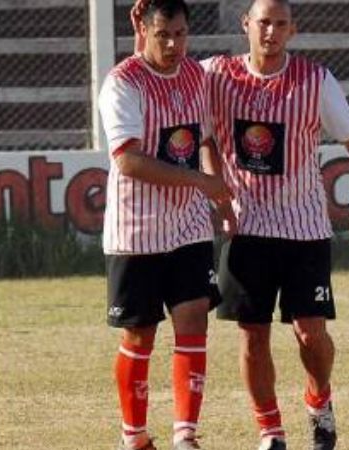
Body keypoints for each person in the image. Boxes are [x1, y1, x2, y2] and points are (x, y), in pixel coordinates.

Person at [202, 1, 349, 449]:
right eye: (263, 23)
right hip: (245, 230)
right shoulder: (215, 75)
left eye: (281, 24)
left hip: (304, 229)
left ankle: (319, 403)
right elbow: (196, 126)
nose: (271, 32)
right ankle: (270, 430)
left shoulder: (315, 80)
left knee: (310, 333)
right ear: (246, 25)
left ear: (292, 30)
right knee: (252, 335)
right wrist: (215, 187)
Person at [100, 1, 232, 449]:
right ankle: (134, 436)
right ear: (144, 30)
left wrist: (219, 193)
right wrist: (202, 180)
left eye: (180, 34)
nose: (173, 44)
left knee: (194, 316)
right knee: (142, 332)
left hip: (189, 224)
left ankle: (185, 435)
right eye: (163, 35)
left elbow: (207, 135)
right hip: (136, 228)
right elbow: (131, 161)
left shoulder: (197, 76)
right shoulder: (122, 83)